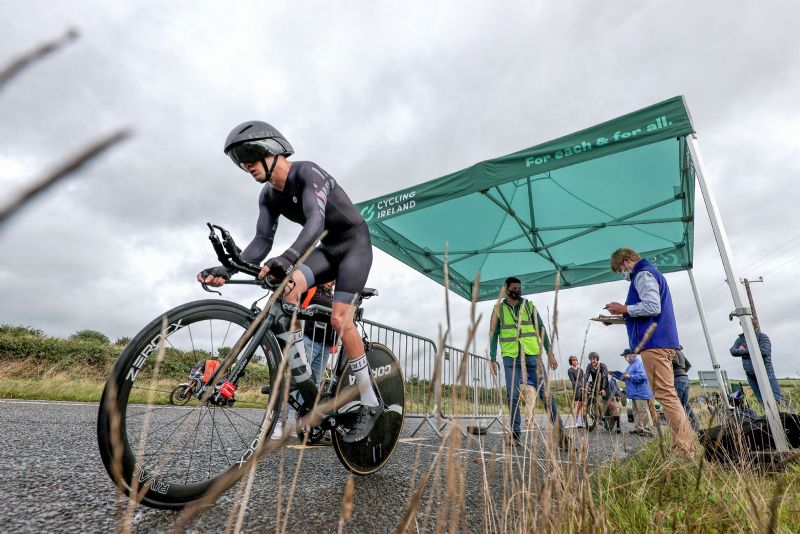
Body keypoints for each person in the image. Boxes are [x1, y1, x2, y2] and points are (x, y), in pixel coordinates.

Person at [198, 121, 379, 444]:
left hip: (353, 245)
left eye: (250, 157)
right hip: (326, 249)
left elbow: (316, 221)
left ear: (273, 151)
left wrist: (290, 256)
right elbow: (261, 241)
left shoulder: (308, 173)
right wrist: (229, 268)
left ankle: (369, 400)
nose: (246, 166)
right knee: (288, 290)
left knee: (339, 319)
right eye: (240, 161)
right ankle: (302, 378)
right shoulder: (268, 196)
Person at [605, 248, 695, 457]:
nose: (622, 274)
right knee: (667, 394)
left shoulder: (643, 274)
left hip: (654, 342)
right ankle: (684, 445)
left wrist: (625, 309)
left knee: (666, 395)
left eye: (620, 269)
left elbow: (652, 306)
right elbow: (647, 310)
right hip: (659, 340)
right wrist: (622, 317)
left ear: (627, 261)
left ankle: (684, 449)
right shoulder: (648, 273)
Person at [489, 277, 565, 447]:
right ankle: (515, 435)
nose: (518, 290)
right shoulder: (498, 310)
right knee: (513, 395)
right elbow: (493, 335)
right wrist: (492, 358)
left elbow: (542, 329)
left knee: (545, 395)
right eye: (514, 287)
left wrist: (550, 352)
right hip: (510, 357)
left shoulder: (529, 307)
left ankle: (562, 435)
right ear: (506, 289)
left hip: (532, 355)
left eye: (519, 288)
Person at [730, 328, 790, 409]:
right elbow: (733, 351)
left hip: (765, 372)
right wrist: (752, 351)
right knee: (761, 401)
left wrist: (743, 351)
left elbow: (764, 351)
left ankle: (790, 416)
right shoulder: (740, 339)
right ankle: (769, 418)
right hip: (750, 375)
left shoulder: (762, 337)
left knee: (777, 398)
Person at [301, 280, 337, 385]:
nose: (332, 283)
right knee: (300, 377)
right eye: (330, 280)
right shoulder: (312, 289)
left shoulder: (333, 297)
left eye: (334, 282)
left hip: (325, 345)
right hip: (308, 340)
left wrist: (336, 342)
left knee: (316, 382)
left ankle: (309, 402)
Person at [618, 348, 654, 437]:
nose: (625, 358)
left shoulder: (638, 363)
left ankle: (648, 430)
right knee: (635, 412)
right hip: (634, 393)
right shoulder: (630, 365)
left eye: (625, 356)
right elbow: (628, 377)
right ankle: (639, 429)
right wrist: (618, 375)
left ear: (631, 355)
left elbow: (642, 376)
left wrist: (629, 376)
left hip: (640, 392)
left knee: (643, 411)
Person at [672, 347, 699, 431]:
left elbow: (675, 361)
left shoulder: (672, 350)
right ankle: (695, 426)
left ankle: (681, 427)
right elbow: (689, 365)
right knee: (685, 403)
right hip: (685, 378)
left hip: (678, 378)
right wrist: (682, 371)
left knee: (677, 404)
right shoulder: (680, 352)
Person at [567, 355, 585, 428]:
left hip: (583, 389)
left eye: (576, 360)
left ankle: (581, 422)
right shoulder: (570, 370)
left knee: (582, 406)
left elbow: (583, 379)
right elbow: (573, 381)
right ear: (571, 361)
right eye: (573, 360)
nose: (575, 361)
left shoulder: (580, 370)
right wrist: (579, 387)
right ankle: (576, 422)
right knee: (577, 406)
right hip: (576, 390)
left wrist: (584, 387)